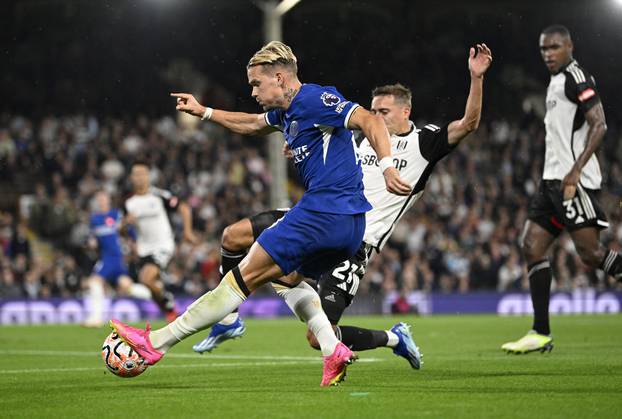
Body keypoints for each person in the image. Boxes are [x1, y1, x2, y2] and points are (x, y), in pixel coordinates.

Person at [109, 41, 411, 386]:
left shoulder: (313, 99)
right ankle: (333, 349)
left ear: (280, 78)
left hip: (323, 212)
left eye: (256, 83)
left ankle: (155, 343)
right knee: (284, 278)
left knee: (238, 280)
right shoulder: (288, 114)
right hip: (349, 228)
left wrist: (387, 167)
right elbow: (252, 124)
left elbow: (369, 120)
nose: (252, 91)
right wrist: (204, 111)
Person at [192, 44, 493, 368]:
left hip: (356, 240)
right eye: (374, 111)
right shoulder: (360, 138)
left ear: (406, 112)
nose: (376, 117)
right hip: (321, 215)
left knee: (315, 334)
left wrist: (476, 78)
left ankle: (393, 338)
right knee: (234, 236)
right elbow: (305, 137)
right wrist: (297, 144)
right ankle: (228, 318)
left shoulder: (424, 143)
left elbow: (469, 124)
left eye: (384, 112)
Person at [501, 25, 618, 354]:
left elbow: (600, 124)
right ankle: (540, 332)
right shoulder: (555, 82)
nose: (548, 54)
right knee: (531, 246)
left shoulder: (576, 77)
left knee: (591, 255)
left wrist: (576, 169)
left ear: (569, 45)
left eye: (554, 47)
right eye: (543, 49)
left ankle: (541, 331)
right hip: (551, 182)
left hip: (572, 181)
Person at [122, 162, 197, 323]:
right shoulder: (128, 203)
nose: (140, 177)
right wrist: (125, 224)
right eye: (136, 174)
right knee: (150, 284)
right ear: (131, 178)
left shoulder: (159, 195)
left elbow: (184, 208)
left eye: (143, 173)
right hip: (143, 249)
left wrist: (187, 231)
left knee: (146, 279)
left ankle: (168, 303)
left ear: (148, 176)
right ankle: (169, 309)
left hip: (163, 245)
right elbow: (122, 230)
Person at [82, 190, 153, 328]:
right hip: (108, 256)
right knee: (127, 286)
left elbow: (130, 231)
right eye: (99, 199)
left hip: (113, 257)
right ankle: (158, 297)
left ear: (108, 200)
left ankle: (96, 318)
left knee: (94, 282)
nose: (102, 201)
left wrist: (135, 244)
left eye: (104, 198)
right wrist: (91, 243)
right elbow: (92, 239)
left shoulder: (116, 215)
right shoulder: (94, 219)